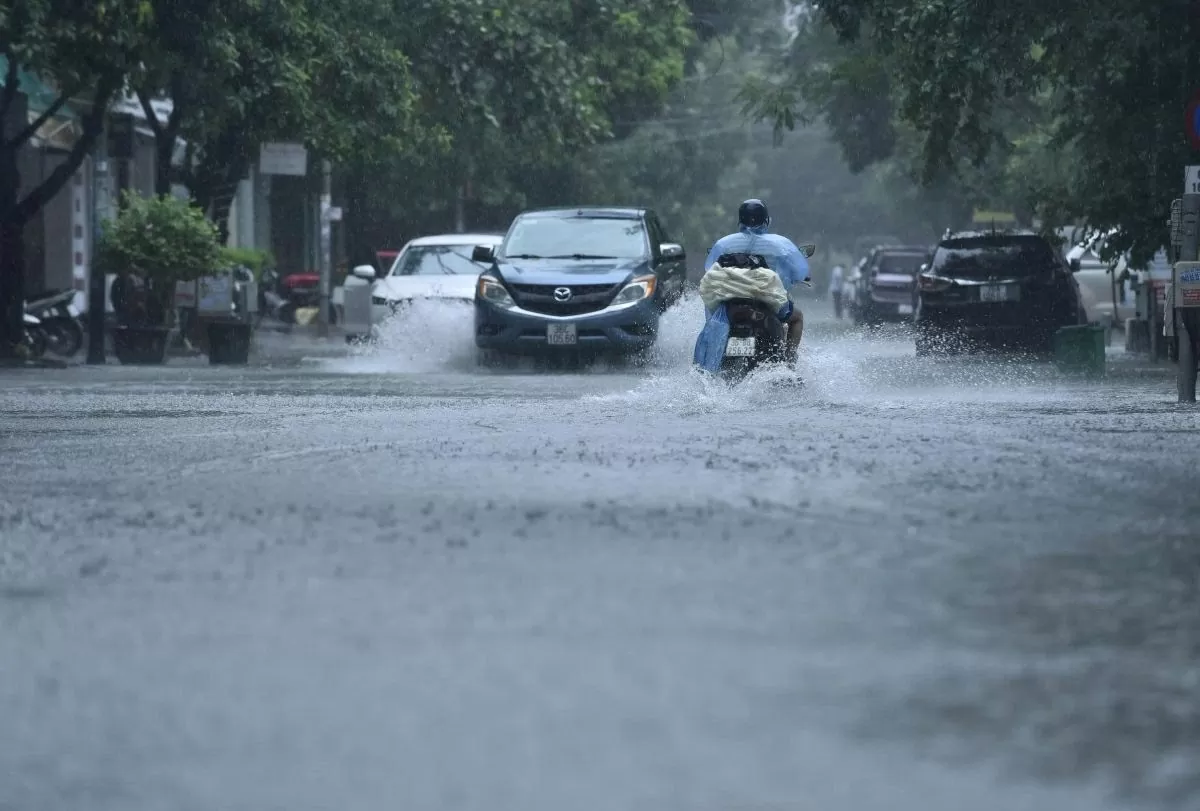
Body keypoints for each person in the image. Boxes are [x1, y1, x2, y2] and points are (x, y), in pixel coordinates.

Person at [703, 199, 811, 363]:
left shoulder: (723, 244)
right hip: (766, 300)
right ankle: (789, 363)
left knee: (714, 320)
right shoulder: (780, 244)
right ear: (766, 219)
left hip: (730, 304)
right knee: (797, 318)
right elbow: (800, 271)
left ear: (740, 219)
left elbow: (709, 269)